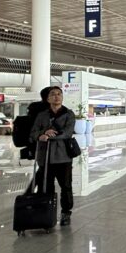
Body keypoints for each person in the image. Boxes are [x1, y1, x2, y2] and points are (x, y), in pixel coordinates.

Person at [29, 86, 76, 227]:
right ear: (48, 99)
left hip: (63, 157)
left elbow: (67, 133)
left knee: (66, 186)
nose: (57, 96)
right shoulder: (42, 115)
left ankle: (66, 213)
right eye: (53, 94)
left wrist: (49, 136)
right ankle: (47, 212)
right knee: (46, 187)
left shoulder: (68, 114)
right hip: (45, 157)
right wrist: (42, 134)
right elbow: (33, 133)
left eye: (59, 94)